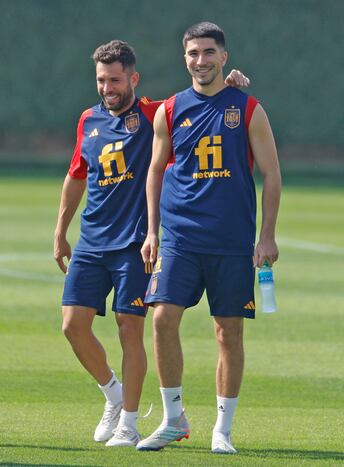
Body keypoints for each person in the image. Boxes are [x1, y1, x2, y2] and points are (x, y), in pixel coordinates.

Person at [54, 39, 249, 448]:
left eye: (115, 80)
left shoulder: (151, 112)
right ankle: (113, 394)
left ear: (133, 79)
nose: (108, 88)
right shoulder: (87, 119)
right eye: (101, 80)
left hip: (135, 243)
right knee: (72, 326)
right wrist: (60, 231)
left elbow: (198, 101)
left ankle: (129, 423)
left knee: (132, 328)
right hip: (91, 240)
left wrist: (230, 85)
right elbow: (76, 175)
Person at [137, 22, 281, 454]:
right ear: (185, 58)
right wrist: (151, 231)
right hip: (180, 236)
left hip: (231, 240)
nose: (200, 61)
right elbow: (155, 170)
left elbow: (272, 174)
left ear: (224, 57)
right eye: (193, 53)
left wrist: (267, 237)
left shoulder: (248, 107)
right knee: (162, 319)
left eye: (208, 53)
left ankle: (223, 429)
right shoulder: (169, 110)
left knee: (228, 332)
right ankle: (173, 418)